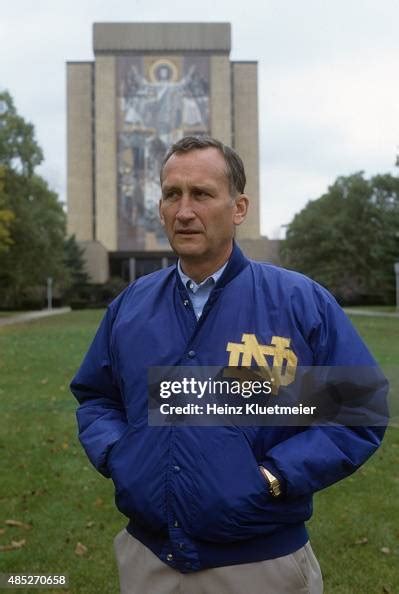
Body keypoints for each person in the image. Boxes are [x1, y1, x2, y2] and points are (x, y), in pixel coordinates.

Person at [71, 136, 387, 594]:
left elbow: (357, 409)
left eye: (201, 194)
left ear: (238, 208)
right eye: (171, 194)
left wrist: (275, 476)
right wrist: (121, 455)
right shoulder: (131, 306)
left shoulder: (298, 302)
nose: (183, 211)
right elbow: (98, 397)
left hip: (262, 565)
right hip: (147, 562)